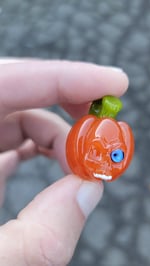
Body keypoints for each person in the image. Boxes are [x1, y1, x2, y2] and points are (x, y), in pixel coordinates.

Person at [0, 59, 129, 265]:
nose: (104, 162)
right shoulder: (87, 127)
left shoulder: (118, 130)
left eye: (115, 156)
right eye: (96, 152)